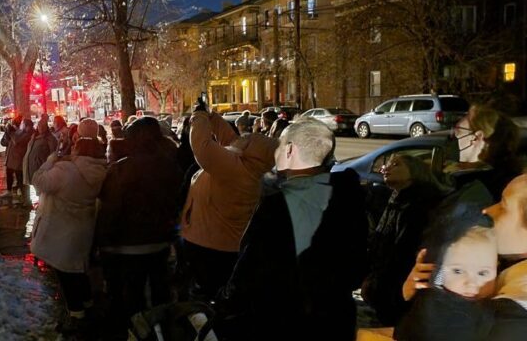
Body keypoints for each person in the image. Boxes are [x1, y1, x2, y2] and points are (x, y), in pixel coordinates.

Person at [215, 118, 368, 340]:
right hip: (336, 319)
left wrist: (226, 300)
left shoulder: (277, 207)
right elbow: (356, 266)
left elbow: (250, 269)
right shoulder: (348, 198)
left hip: (286, 321)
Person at [401, 174, 527, 340]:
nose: (487, 211)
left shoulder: (515, 308)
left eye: (503, 206)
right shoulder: (509, 269)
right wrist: (425, 285)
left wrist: (430, 297)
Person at [180, 99, 278, 301]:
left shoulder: (234, 169)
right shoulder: (249, 166)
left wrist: (198, 116)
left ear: (252, 151)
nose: (244, 137)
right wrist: (212, 117)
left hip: (209, 246)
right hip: (227, 245)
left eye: (248, 139)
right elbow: (230, 140)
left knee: (207, 295)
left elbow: (202, 146)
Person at [96, 117, 184, 332]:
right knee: (160, 292)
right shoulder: (171, 166)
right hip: (161, 243)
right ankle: (163, 330)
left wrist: (102, 243)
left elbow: (110, 209)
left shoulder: (121, 169)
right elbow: (177, 202)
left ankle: (139, 332)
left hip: (128, 246)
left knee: (133, 296)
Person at [31, 138, 108, 336]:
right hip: (82, 230)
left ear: (79, 151)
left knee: (66, 276)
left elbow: (38, 180)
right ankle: (88, 306)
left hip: (61, 232)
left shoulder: (66, 171)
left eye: (75, 147)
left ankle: (77, 317)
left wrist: (49, 161)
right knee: (77, 271)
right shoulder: (98, 172)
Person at [361, 154, 447, 326]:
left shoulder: (417, 205)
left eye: (396, 164)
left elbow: (400, 253)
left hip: (399, 293)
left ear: (414, 172)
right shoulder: (397, 198)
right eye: (388, 164)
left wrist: (379, 287)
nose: (387, 168)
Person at [446, 104, 521, 202]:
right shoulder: (511, 179)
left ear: (476, 138)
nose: (452, 136)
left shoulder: (469, 187)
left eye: (457, 131)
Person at [22, 116, 58, 191]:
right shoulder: (34, 136)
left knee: (40, 189)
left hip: (40, 166)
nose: (40, 128)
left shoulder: (50, 139)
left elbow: (53, 153)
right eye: (39, 126)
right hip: (30, 166)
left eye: (42, 126)